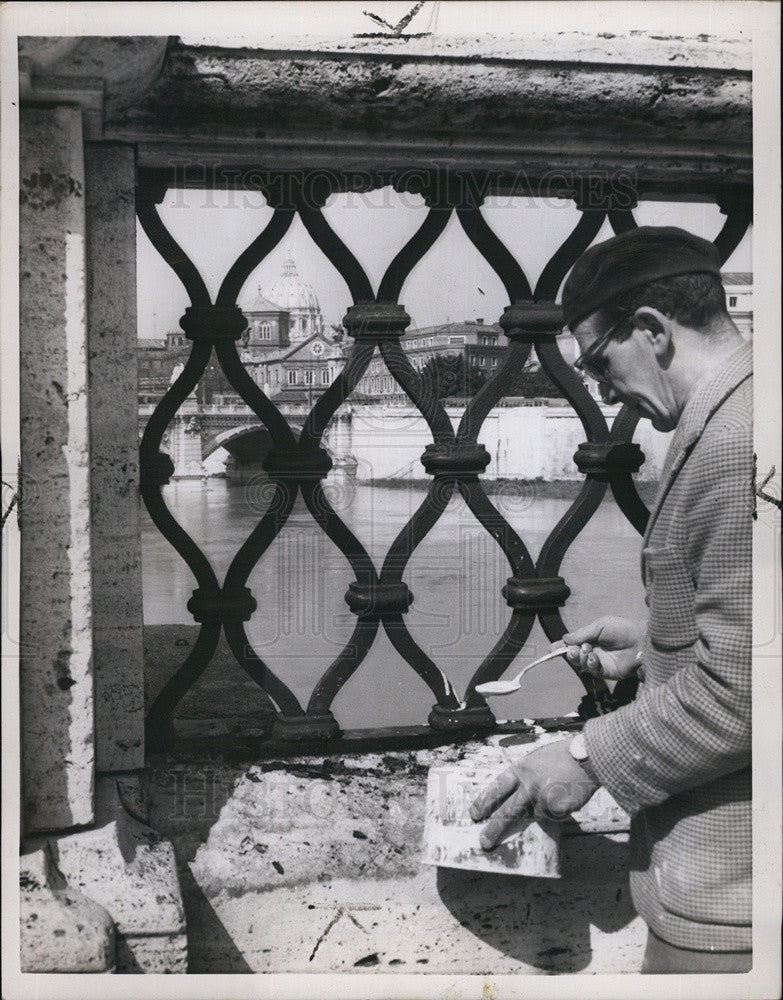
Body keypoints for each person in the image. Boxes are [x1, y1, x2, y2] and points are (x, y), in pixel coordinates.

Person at [469, 226, 753, 974]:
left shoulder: (735, 444)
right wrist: (656, 648)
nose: (597, 389)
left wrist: (584, 756)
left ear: (652, 331)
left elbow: (750, 690)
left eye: (598, 362)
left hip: (737, 893)